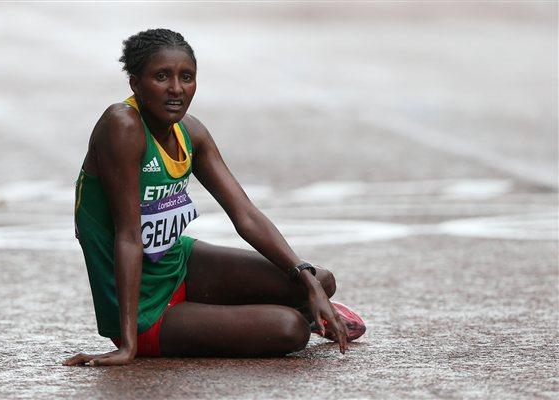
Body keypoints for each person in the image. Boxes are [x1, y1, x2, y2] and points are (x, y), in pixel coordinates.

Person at [63, 28, 365, 367]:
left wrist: (306, 280)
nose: (176, 89)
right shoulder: (122, 126)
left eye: (186, 77)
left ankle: (297, 307)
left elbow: (245, 215)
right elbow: (130, 237)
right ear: (135, 83)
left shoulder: (190, 130)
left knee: (321, 279)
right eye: (162, 77)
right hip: (145, 309)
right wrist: (127, 345)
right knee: (289, 328)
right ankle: (287, 316)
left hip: (179, 264)